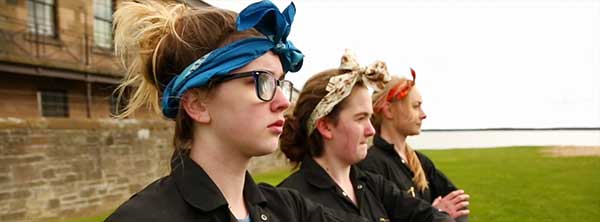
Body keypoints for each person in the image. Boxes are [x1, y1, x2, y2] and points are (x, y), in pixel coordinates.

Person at [105, 1, 368, 221]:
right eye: (261, 81)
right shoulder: (143, 217)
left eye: (279, 83)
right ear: (197, 104)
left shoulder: (288, 209)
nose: (283, 102)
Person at [278, 49, 455, 222]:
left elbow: (431, 216)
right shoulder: (289, 202)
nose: (370, 130)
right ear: (325, 126)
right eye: (360, 118)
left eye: (369, 117)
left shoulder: (373, 185)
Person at [357, 72, 470, 221]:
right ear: (389, 110)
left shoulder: (421, 161)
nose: (423, 115)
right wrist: (434, 214)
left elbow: (459, 205)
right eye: (416, 106)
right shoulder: (370, 164)